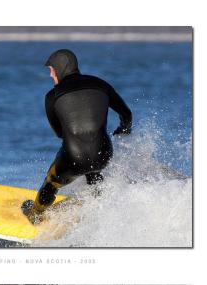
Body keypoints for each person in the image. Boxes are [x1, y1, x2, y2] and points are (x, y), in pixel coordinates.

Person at [22, 49, 133, 224]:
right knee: (93, 168)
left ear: (60, 68)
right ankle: (99, 206)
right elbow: (127, 115)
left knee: (51, 182)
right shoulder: (101, 84)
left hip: (73, 159)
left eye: (51, 69)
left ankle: (35, 214)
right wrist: (122, 131)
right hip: (104, 154)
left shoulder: (52, 96)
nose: (51, 75)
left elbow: (59, 133)